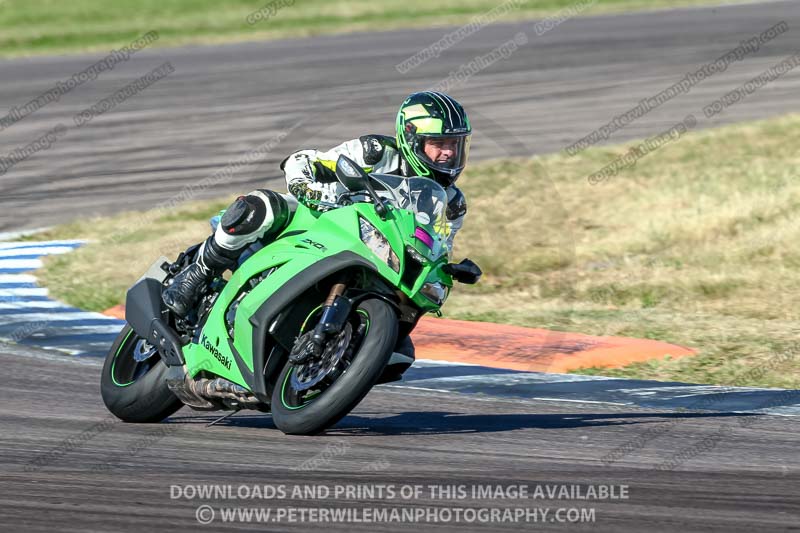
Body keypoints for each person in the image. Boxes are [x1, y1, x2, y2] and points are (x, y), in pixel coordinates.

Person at [161, 91, 473, 379]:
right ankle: (197, 273)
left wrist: (445, 267)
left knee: (401, 344)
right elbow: (303, 160)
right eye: (438, 143)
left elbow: (440, 243)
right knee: (261, 206)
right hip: (321, 215)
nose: (447, 153)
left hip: (377, 251)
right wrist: (306, 186)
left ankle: (345, 354)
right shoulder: (376, 153)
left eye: (454, 145)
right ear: (411, 138)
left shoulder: (452, 202)